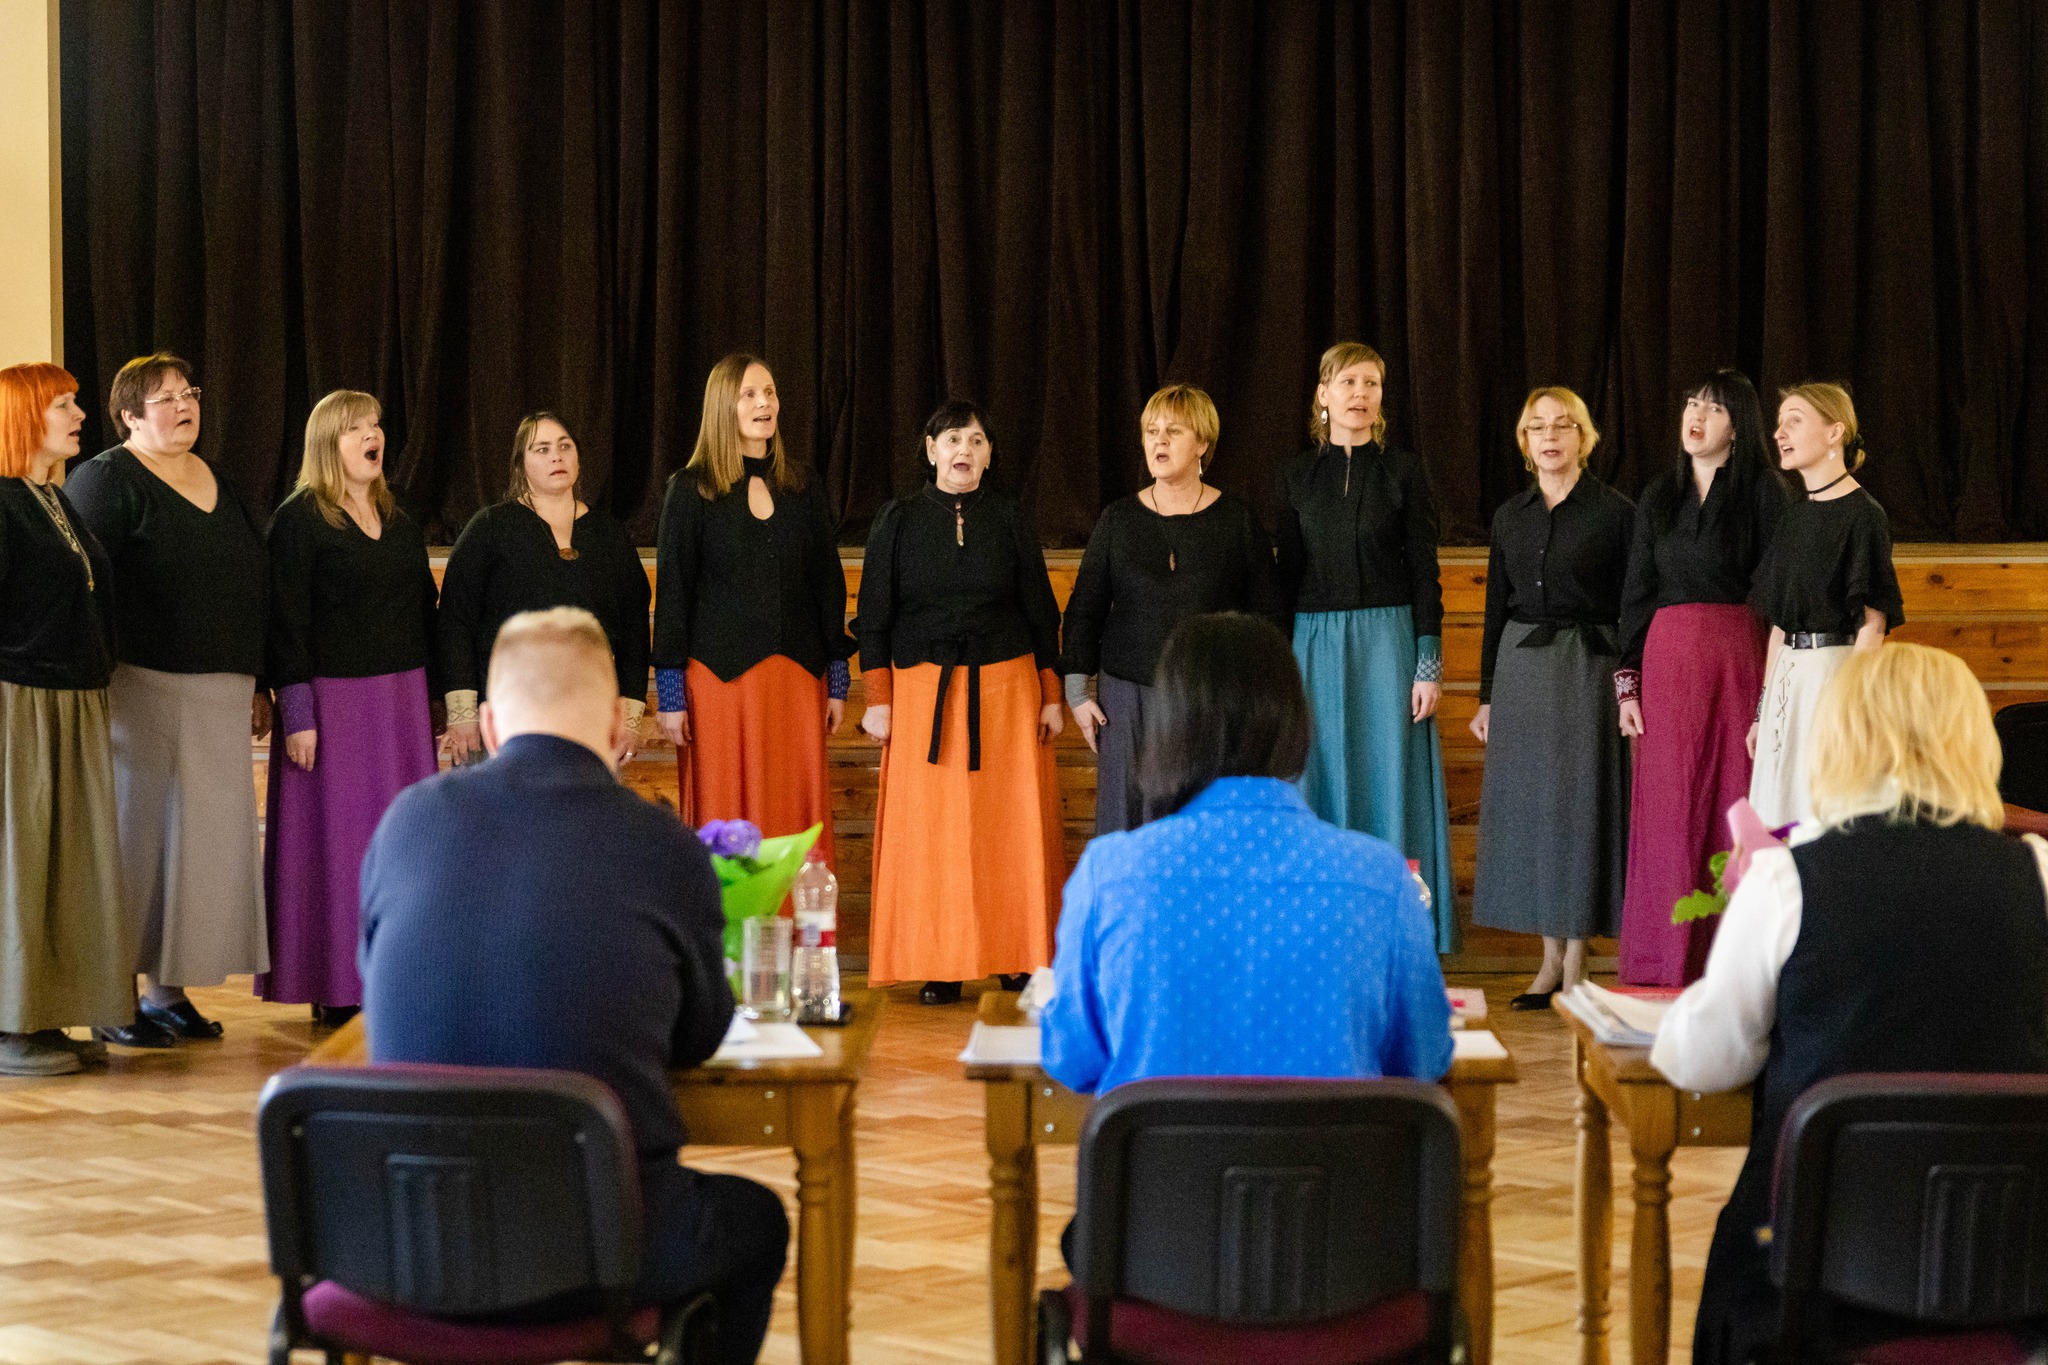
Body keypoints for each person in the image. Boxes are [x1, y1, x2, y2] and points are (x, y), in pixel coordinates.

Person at [360, 608, 787, 1365]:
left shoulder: (404, 823)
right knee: (755, 1220)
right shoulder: (660, 843)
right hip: (603, 1250)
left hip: (410, 1238)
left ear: (489, 726)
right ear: (619, 729)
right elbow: (699, 1036)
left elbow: (378, 984)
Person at [1652, 644, 2048, 1364]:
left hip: (1811, 1292)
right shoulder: (2038, 876)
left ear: (1840, 739)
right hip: (2011, 1276)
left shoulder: (1785, 881)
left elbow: (1701, 1063)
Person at [1043, 611, 1452, 1096]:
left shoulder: (1109, 875)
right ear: (1296, 719)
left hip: (1164, 1147)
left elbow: (1071, 1058)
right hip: (1330, 1146)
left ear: (1168, 726)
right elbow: (1423, 1056)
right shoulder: (1381, 877)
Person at [67, 353, 270, 1047]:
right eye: (166, 398)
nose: (185, 405)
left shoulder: (219, 478)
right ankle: (110, 997)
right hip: (141, 689)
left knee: (194, 854)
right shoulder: (106, 480)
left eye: (190, 393)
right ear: (129, 415)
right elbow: (84, 586)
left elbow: (251, 579)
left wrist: (260, 679)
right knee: (135, 846)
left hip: (220, 694)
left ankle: (167, 994)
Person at [855, 401, 1065, 1005]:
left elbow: (1040, 611)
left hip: (1007, 694)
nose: (963, 451)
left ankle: (1016, 957)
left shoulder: (1009, 518)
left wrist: (1052, 695)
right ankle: (940, 964)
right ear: (930, 450)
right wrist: (879, 698)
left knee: (1009, 830)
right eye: (952, 439)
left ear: (989, 455)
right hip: (924, 696)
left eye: (976, 440)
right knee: (933, 836)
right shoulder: (897, 520)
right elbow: (874, 616)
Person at [258, 391, 441, 1024]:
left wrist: (439, 705)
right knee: (338, 848)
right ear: (326, 444)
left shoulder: (399, 518)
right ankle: (338, 985)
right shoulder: (298, 521)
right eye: (356, 427)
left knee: (404, 843)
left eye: (376, 424)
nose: (373, 435)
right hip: (334, 709)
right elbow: (285, 623)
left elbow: (424, 613)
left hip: (401, 704)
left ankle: (400, 976)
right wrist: (299, 714)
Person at [1276, 341, 1455, 948]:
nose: (1360, 393)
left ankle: (1398, 929)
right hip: (1313, 644)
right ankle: (1320, 930)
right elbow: (1286, 577)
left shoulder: (1404, 472)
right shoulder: (1296, 476)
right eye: (1348, 382)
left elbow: (1424, 572)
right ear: (1323, 395)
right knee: (1318, 772)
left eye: (1371, 383)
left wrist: (1428, 663)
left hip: (1389, 645)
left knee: (1389, 776)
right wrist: (1280, 662)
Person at [1613, 370, 1788, 987]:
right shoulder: (1659, 494)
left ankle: (1733, 961)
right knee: (1669, 804)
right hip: (1666, 659)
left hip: (1737, 655)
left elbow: (1777, 593)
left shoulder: (1764, 492)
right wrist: (1627, 684)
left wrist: (1770, 691)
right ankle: (1661, 958)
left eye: (1713, 409)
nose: (1696, 417)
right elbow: (1637, 591)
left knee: (1734, 798)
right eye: (1691, 404)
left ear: (1737, 426)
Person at [1469, 388, 1634, 1008]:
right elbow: (1494, 609)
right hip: (1522, 668)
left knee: (1579, 808)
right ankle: (1548, 960)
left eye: (1563, 425)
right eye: (1537, 426)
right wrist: (1487, 696)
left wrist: (1630, 684)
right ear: (1525, 440)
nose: (1550, 436)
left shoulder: (1616, 513)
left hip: (1589, 665)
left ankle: (1578, 962)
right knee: (1534, 813)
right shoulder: (1510, 516)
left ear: (1583, 437)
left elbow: (1633, 606)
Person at [654, 355, 855, 863]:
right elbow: (674, 593)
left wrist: (837, 675)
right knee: (725, 817)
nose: (764, 403)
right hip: (718, 688)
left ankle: (795, 915)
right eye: (749, 394)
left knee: (794, 815)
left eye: (770, 392)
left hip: (797, 683)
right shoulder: (691, 488)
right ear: (723, 405)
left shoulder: (802, 485)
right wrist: (671, 693)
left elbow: (827, 583)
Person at [1060, 384, 1280, 834]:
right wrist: (1078, 694)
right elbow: (1085, 609)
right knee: (1129, 828)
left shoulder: (1237, 520)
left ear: (1202, 443)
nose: (1159, 441)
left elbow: (1269, 617)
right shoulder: (1118, 519)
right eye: (1151, 431)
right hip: (1128, 702)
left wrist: (1251, 698)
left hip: (1211, 700)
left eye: (1173, 431)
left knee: (1205, 829)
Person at [0, 364, 133, 1075]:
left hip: (73, 698)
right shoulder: (3, 504)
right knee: (22, 864)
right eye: (63, 404)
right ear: (24, 416)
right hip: (22, 703)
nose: (80, 414)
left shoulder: (52, 499)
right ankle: (10, 1024)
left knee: (67, 867)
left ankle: (46, 1014)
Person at [437, 412, 651, 766]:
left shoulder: (609, 535)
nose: (556, 457)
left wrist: (629, 719)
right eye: (542, 449)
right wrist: (463, 713)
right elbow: (455, 620)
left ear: (578, 458)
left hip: (589, 711)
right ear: (521, 465)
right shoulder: (490, 528)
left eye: (565, 447)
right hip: (507, 711)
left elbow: (634, 628)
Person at [1744, 383, 1904, 827]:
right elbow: (1780, 624)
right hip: (1788, 679)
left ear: (1835, 432)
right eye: (1779, 423)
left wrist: (1849, 706)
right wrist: (1762, 710)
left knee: (1821, 805)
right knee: (1778, 809)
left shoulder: (1863, 514)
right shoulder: (1794, 517)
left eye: (1794, 421)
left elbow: (1872, 624)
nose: (1779, 433)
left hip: (1833, 674)